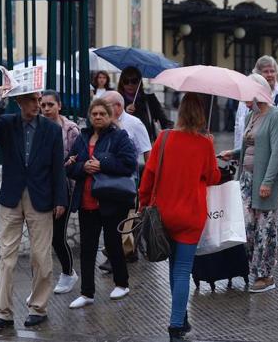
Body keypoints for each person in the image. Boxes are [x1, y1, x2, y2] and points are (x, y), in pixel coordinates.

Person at [0, 89, 67, 329]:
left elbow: (57, 168)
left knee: (41, 257)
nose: (37, 104)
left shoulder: (52, 130)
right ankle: (3, 313)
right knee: (7, 257)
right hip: (11, 198)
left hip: (41, 199)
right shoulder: (7, 123)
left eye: (39, 100)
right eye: (31, 100)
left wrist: (60, 199)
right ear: (19, 102)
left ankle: (38, 308)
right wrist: (0, 100)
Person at [138, 92, 220, 342]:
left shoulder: (163, 138)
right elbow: (213, 177)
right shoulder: (205, 143)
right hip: (191, 216)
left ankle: (181, 317)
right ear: (201, 114)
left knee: (175, 268)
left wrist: (143, 203)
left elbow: (148, 176)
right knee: (183, 269)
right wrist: (211, 148)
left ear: (181, 112)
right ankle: (176, 325)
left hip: (164, 213)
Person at [65, 98, 137, 309]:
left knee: (113, 243)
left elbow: (129, 164)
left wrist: (102, 163)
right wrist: (83, 167)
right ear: (89, 116)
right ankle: (87, 293)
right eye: (94, 114)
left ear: (110, 116)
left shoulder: (119, 136)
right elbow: (70, 165)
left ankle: (122, 283)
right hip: (87, 201)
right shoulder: (83, 136)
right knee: (87, 248)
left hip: (111, 200)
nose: (97, 117)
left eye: (102, 114)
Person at [220, 73, 278, 294]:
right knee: (247, 229)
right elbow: (253, 146)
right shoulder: (252, 116)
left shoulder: (276, 116)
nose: (243, 99)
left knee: (265, 230)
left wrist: (268, 182)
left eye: (247, 94)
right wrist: (234, 153)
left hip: (266, 181)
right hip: (247, 180)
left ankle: (266, 275)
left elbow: (277, 153)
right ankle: (253, 268)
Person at [234, 56, 278, 240]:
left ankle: (269, 244)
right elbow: (240, 128)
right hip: (252, 156)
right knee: (248, 217)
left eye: (273, 71)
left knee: (267, 208)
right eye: (266, 71)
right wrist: (235, 154)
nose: (270, 75)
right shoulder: (249, 109)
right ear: (259, 74)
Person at [96, 90, 152, 270]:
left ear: (118, 107)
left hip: (127, 179)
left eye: (106, 106)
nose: (101, 111)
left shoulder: (134, 124)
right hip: (105, 178)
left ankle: (118, 255)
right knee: (110, 218)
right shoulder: (103, 125)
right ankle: (122, 252)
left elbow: (147, 152)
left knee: (124, 217)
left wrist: (149, 180)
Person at [39, 90, 80, 294]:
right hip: (41, 188)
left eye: (50, 105)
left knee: (57, 236)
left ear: (59, 106)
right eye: (43, 105)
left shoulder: (70, 129)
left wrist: (65, 166)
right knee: (41, 238)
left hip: (64, 187)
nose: (46, 109)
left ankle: (68, 272)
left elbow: (77, 160)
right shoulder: (37, 126)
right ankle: (40, 283)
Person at [117, 66, 174, 142]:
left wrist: (170, 135)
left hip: (146, 145)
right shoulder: (116, 100)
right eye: (126, 81)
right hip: (123, 145)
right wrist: (124, 112)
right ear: (121, 83)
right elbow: (111, 122)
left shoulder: (149, 100)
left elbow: (165, 122)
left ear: (139, 82)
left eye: (134, 81)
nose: (130, 84)